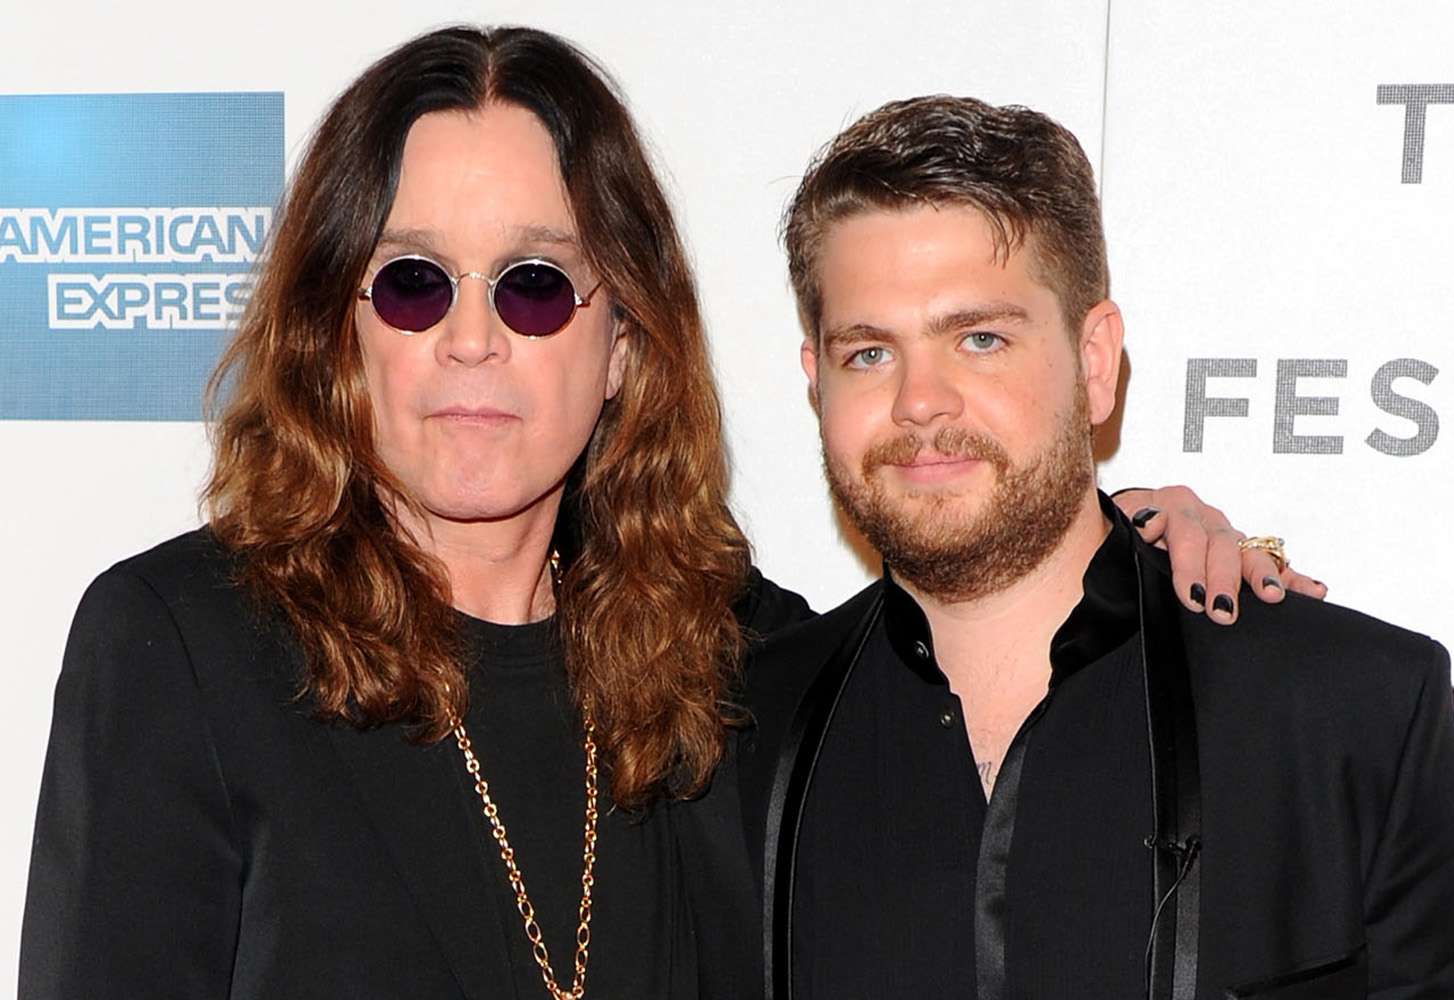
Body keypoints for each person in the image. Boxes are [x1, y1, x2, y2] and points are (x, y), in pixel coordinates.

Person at [19, 26, 1316, 1000]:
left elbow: (986, 650)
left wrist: (1140, 533)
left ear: (625, 342)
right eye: (412, 284)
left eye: (534, 287)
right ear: (337, 335)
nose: (472, 341)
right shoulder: (183, 642)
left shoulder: (728, 654)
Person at [741, 96, 1454, 999]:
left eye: (980, 339)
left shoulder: (1348, 714)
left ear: (1095, 361)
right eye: (868, 353)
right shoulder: (733, 738)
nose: (919, 402)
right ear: (814, 381)